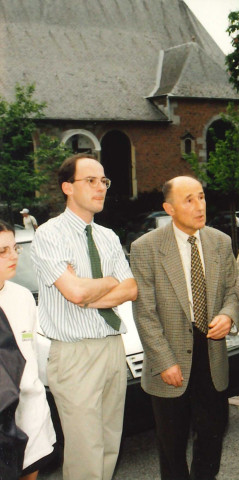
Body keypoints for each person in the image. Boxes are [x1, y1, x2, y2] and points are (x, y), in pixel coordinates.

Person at [31, 153, 138, 480]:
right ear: (67, 187)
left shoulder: (108, 237)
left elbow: (131, 288)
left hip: (112, 348)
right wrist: (107, 283)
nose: (100, 187)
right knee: (85, 454)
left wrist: (91, 292)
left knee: (108, 446)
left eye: (103, 181)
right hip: (74, 355)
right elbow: (74, 293)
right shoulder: (49, 235)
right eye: (90, 180)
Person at [130, 176, 239, 480]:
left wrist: (229, 315)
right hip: (170, 359)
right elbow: (145, 313)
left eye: (201, 197)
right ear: (169, 208)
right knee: (172, 445)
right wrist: (164, 361)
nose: (199, 206)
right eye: (189, 200)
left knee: (213, 434)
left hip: (212, 353)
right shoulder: (146, 248)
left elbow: (235, 290)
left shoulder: (220, 242)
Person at [0, 220, 56, 480]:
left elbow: (31, 353)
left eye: (14, 248)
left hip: (30, 410)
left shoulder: (22, 296)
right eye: (3, 251)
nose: (13, 256)